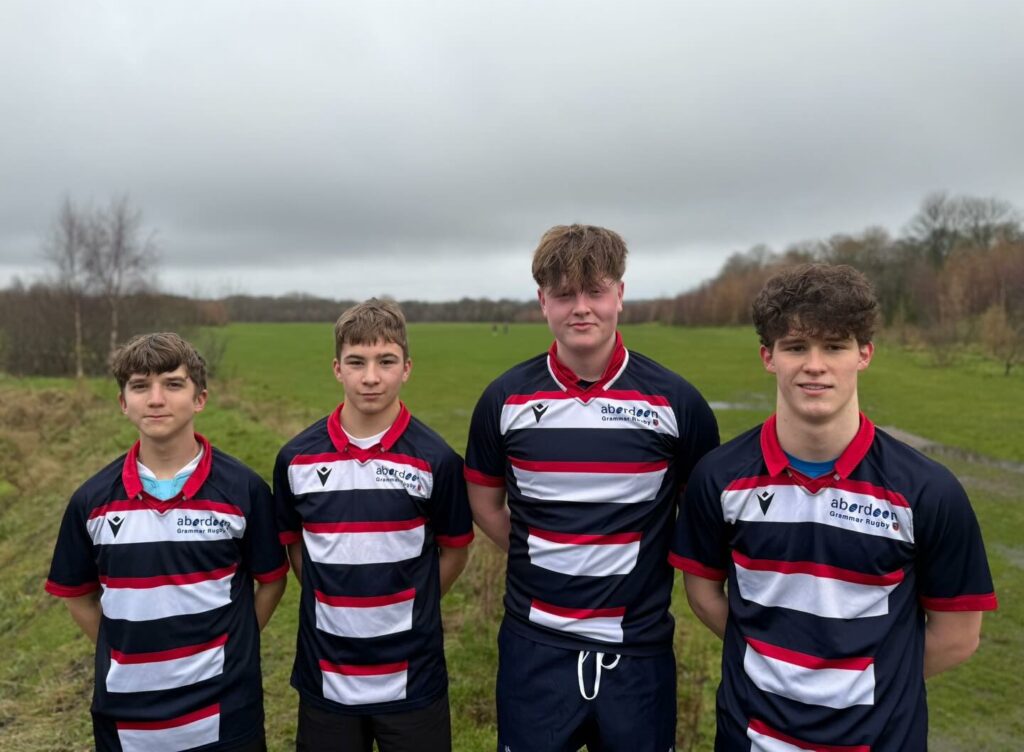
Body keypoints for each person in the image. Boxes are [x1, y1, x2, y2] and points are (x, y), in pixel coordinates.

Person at [672, 263, 998, 751]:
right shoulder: (718, 478)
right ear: (768, 357)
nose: (815, 365)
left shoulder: (929, 492)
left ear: (864, 354)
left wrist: (863, 679)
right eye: (796, 347)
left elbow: (957, 636)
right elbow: (703, 596)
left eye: (835, 346)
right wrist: (780, 663)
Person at [465, 224, 720, 751]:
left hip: (638, 654)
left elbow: (700, 522)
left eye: (595, 292)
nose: (581, 308)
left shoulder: (678, 403)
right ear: (543, 302)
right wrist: (546, 550)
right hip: (534, 649)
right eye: (564, 295)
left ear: (619, 294)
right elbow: (486, 505)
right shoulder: (504, 400)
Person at [45, 332, 288, 751]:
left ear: (200, 398)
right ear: (123, 402)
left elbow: (272, 580)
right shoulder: (91, 501)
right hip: (126, 718)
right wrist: (127, 650)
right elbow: (78, 596)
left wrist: (234, 644)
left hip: (226, 712)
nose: (156, 399)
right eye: (140, 386)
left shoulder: (245, 490)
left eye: (173, 384)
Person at [274, 299, 473, 752]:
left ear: (406, 368)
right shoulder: (295, 459)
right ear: (337, 369)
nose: (370, 377)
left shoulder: (437, 460)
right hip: (326, 676)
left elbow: (456, 550)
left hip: (413, 676)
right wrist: (337, 594)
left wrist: (408, 604)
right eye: (356, 362)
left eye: (386, 361)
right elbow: (297, 548)